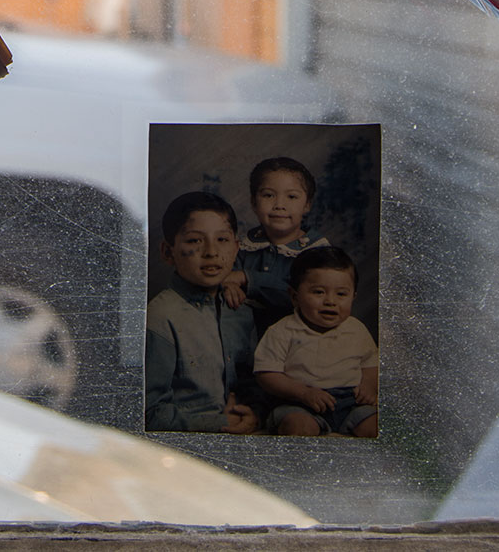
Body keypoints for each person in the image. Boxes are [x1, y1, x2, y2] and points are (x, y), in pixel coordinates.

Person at [145, 192, 261, 433]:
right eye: (195, 241)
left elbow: (254, 386)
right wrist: (218, 424)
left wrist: (253, 415)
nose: (211, 251)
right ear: (168, 252)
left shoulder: (241, 311)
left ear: (236, 247)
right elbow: (148, 414)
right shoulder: (159, 318)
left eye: (222, 239)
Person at [254, 245, 380, 437]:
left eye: (341, 294)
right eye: (319, 292)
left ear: (353, 296)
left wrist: (369, 385)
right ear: (295, 297)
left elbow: (370, 362)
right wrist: (303, 393)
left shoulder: (356, 329)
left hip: (350, 401)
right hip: (299, 402)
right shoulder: (282, 331)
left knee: (374, 426)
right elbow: (267, 374)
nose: (330, 301)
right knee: (298, 427)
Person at [221, 157, 331, 334]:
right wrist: (229, 286)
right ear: (253, 203)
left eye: (292, 197)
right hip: (247, 337)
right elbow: (225, 276)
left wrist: (247, 278)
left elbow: (302, 298)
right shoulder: (245, 245)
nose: (280, 205)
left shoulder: (318, 254)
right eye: (268, 195)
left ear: (307, 205)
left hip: (299, 339)